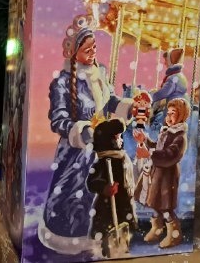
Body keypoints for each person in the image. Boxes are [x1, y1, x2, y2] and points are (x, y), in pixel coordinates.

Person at [39, 16, 134, 255]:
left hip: (103, 147)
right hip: (77, 152)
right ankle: (68, 236)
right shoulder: (62, 82)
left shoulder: (99, 73)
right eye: (87, 50)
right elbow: (59, 119)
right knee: (75, 192)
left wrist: (127, 107)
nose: (92, 53)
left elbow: (109, 101)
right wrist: (81, 131)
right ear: (74, 52)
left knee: (105, 189)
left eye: (94, 48)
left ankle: (102, 232)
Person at [133, 98, 191, 249]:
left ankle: (174, 235)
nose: (169, 117)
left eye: (173, 113)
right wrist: (145, 140)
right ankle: (157, 228)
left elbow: (170, 155)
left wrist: (149, 154)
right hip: (157, 173)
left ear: (181, 115)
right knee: (155, 203)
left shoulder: (180, 137)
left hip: (167, 176)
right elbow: (157, 147)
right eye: (168, 113)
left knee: (165, 206)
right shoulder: (166, 131)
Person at [87, 118, 137, 258]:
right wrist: (104, 187)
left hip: (123, 201)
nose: (121, 140)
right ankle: (105, 250)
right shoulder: (103, 161)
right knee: (107, 228)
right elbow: (91, 182)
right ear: (109, 140)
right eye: (118, 137)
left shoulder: (122, 158)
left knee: (123, 225)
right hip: (108, 204)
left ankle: (123, 246)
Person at [149, 48, 188, 136]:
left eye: (166, 60)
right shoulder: (179, 76)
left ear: (171, 61)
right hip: (179, 106)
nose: (165, 63)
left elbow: (163, 93)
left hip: (174, 106)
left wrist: (150, 96)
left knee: (166, 124)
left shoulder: (173, 78)